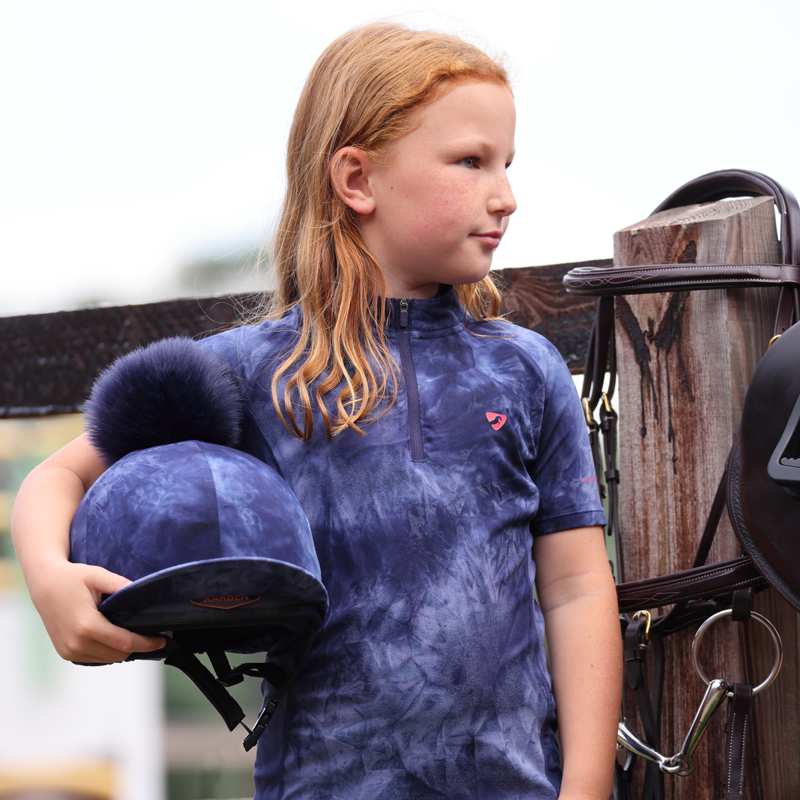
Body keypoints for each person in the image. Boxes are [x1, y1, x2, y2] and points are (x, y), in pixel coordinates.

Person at [12, 22, 621, 800]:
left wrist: (589, 784)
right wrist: (50, 578)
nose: (505, 194)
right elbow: (60, 475)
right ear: (356, 180)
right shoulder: (252, 369)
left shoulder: (524, 369)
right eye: (471, 162)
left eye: (505, 163)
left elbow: (574, 586)